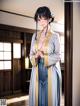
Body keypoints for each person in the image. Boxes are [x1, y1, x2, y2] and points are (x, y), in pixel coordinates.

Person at [29, 6, 61, 106]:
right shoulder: (35, 36)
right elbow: (30, 54)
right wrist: (35, 56)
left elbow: (58, 55)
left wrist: (44, 57)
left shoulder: (55, 36)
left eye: (43, 18)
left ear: (49, 19)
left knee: (49, 99)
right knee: (37, 99)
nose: (41, 22)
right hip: (37, 70)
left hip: (51, 71)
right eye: (39, 19)